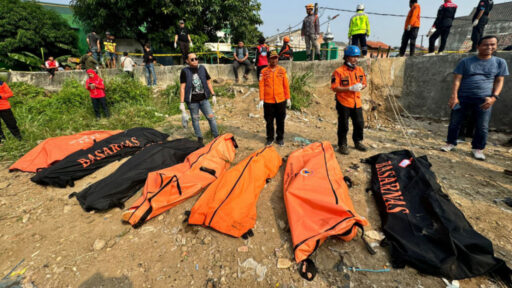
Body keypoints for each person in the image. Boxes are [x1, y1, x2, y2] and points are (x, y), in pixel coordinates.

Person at [441, 36, 508, 160]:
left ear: (496, 46)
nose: (489, 47)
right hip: (462, 97)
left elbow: (499, 81)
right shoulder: (465, 62)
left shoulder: (499, 62)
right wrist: (454, 96)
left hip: (484, 99)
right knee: (455, 122)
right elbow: (457, 80)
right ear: (478, 46)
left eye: (492, 44)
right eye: (486, 45)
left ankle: (478, 148)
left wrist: (494, 97)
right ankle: (450, 143)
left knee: (482, 126)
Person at [331, 46, 368, 155]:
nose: (356, 59)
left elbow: (365, 83)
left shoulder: (360, 70)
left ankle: (358, 142)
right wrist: (350, 88)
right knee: (344, 125)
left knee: (359, 123)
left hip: (356, 102)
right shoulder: (338, 72)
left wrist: (361, 86)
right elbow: (335, 87)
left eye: (357, 57)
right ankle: (342, 144)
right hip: (344, 102)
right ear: (347, 57)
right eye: (353, 57)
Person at [179, 53, 218, 144]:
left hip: (204, 100)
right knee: (195, 120)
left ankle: (216, 136)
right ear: (187, 61)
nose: (195, 61)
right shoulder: (185, 71)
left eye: (196, 59)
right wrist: (181, 103)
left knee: (211, 117)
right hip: (192, 102)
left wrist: (213, 94)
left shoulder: (202, 69)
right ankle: (199, 139)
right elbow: (182, 87)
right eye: (192, 59)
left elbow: (208, 82)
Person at [257, 51, 291, 146]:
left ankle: (280, 138)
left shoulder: (282, 70)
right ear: (268, 59)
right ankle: (270, 138)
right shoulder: (263, 72)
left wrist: (288, 98)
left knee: (280, 121)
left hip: (280, 100)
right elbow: (261, 86)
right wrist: (261, 99)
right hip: (268, 101)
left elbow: (286, 85)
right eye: (272, 58)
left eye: (276, 58)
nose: (274, 60)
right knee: (269, 121)